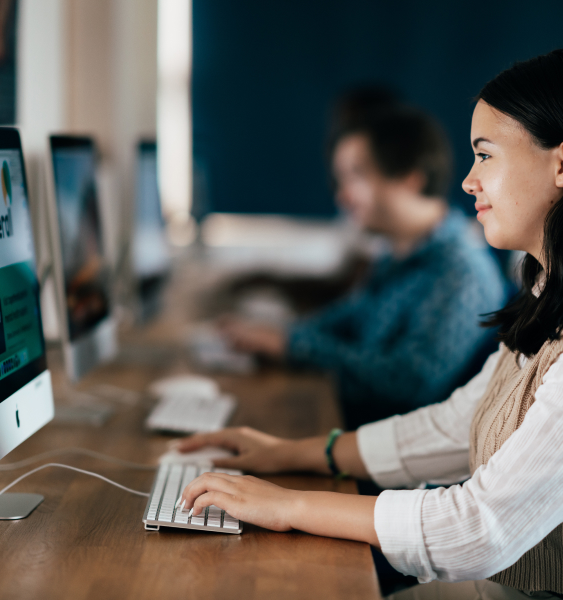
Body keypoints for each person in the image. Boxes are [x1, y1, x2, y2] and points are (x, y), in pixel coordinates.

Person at [176, 49, 563, 599]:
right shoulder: (545, 294)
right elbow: (459, 423)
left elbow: (480, 528)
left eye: (486, 156)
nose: (467, 181)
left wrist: (289, 504)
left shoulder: (465, 270)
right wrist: (295, 452)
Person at [220, 105, 507, 427]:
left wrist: (290, 345)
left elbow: (407, 383)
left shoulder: (461, 273)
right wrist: (276, 337)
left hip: (387, 460)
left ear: (411, 178)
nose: (342, 197)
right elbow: (345, 320)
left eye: (355, 176)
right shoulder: (395, 255)